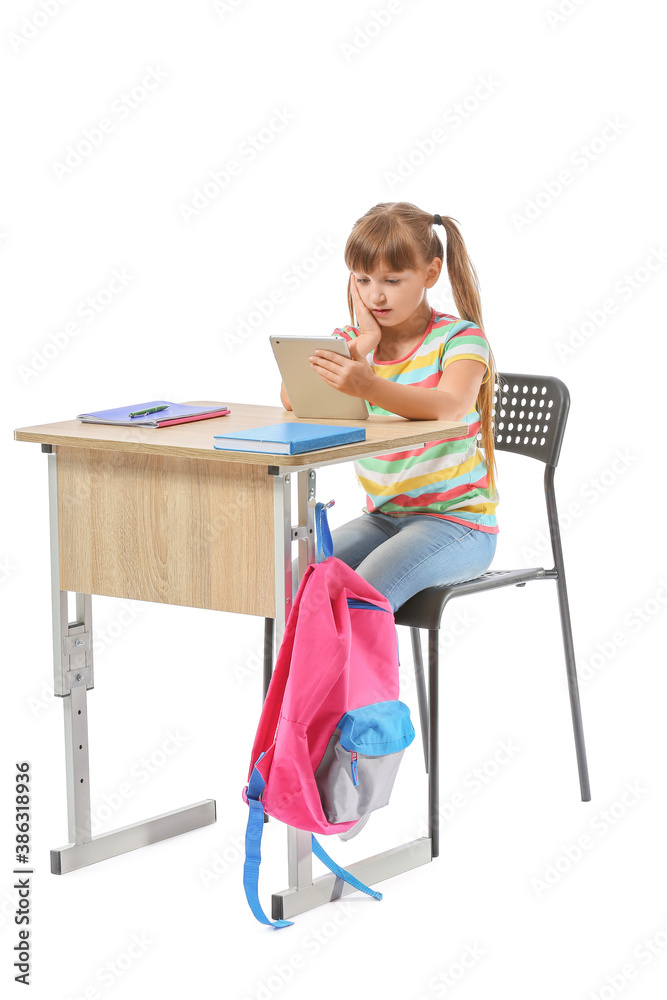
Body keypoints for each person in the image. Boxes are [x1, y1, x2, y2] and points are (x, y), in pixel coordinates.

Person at [280, 201, 500, 614]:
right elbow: (293, 398)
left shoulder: (460, 338)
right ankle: (302, 682)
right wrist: (363, 342)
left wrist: (369, 384)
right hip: (383, 518)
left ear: (430, 273)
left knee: (359, 595)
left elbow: (451, 407)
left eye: (392, 280)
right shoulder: (353, 342)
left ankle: (360, 682)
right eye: (363, 280)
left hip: (457, 524)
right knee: (292, 583)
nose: (375, 294)